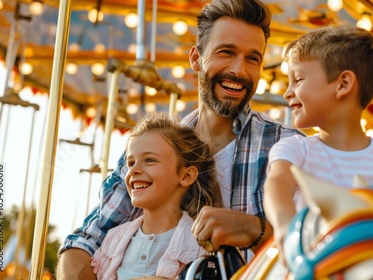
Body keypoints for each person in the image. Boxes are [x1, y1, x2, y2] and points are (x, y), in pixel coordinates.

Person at [56, 0, 303, 278]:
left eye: (252, 58)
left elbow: (322, 234)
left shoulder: (288, 146)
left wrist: (257, 230)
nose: (239, 70)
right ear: (196, 58)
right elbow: (86, 240)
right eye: (226, 52)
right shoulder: (152, 147)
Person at [263, 26, 373, 248]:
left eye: (298, 79)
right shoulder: (294, 149)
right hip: (312, 256)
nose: (288, 92)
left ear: (343, 84)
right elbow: (277, 183)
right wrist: (285, 226)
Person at [90, 112, 223, 279]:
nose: (134, 170)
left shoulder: (201, 245)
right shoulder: (113, 240)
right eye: (131, 163)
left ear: (186, 176)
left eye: (150, 160)